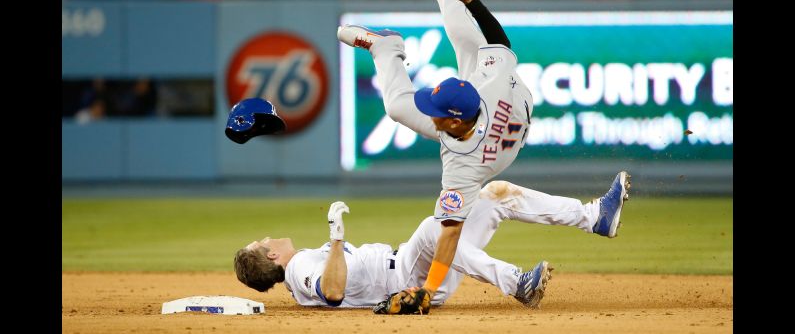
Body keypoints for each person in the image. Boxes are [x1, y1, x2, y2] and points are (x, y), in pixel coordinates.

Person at [335, 0, 631, 314]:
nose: (431, 110)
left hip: (484, 149)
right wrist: (473, 1)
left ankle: (387, 47)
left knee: (398, 107)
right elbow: (499, 41)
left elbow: (450, 237)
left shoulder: (458, 164)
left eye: (436, 110)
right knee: (458, 18)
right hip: (503, 118)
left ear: (452, 119)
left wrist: (428, 291)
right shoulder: (491, 79)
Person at [234, 175, 631, 311]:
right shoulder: (299, 266)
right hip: (408, 280)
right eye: (262, 242)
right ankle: (518, 284)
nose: (269, 237)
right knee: (431, 228)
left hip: (412, 271)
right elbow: (333, 292)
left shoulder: (300, 265)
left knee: (495, 195)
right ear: (271, 256)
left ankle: (594, 217)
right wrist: (336, 235)